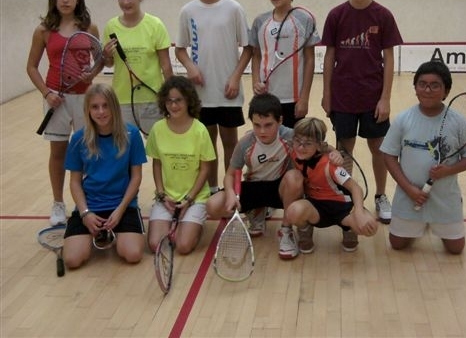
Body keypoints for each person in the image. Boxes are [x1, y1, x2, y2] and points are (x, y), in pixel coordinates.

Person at [321, 0, 403, 224]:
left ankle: (380, 196)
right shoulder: (336, 15)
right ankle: (347, 196)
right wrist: (326, 94)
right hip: (343, 96)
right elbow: (329, 56)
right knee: (344, 151)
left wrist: (385, 98)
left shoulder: (383, 15)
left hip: (372, 97)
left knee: (378, 148)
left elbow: (389, 58)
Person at [380, 61, 466, 254]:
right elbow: (389, 156)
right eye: (422, 84)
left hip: (445, 199)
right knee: (397, 244)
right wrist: (409, 189)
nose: (427, 90)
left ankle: (435, 221)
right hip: (408, 196)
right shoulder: (403, 119)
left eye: (435, 85)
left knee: (456, 249)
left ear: (446, 91)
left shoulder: (459, 122)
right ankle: (419, 225)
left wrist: (449, 170)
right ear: (415, 88)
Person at [175, 0, 252, 195]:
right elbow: (180, 49)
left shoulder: (233, 8)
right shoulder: (188, 11)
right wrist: (190, 67)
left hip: (228, 91)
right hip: (201, 94)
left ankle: (230, 192)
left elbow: (248, 48)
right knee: (207, 147)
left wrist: (235, 77)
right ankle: (210, 190)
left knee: (230, 144)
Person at [26, 0, 100, 226]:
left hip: (85, 99)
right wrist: (47, 93)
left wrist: (93, 73)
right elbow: (32, 67)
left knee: (87, 152)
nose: (65, 0)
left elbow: (100, 60)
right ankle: (58, 203)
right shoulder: (43, 31)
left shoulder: (89, 28)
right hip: (55, 99)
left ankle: (86, 201)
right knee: (58, 152)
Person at [205, 93, 304, 260]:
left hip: (280, 188)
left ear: (280, 120)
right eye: (257, 125)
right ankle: (256, 211)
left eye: (268, 125)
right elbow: (230, 175)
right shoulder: (246, 143)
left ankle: (286, 231)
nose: (262, 131)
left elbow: (318, 146)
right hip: (254, 187)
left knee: (295, 177)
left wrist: (333, 153)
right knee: (212, 206)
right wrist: (230, 194)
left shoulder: (291, 136)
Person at [63, 83, 146, 269]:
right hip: (90, 206)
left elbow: (136, 177)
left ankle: (112, 234)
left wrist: (120, 210)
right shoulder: (78, 139)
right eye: (95, 107)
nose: (101, 112)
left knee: (132, 254)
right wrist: (85, 213)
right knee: (72, 260)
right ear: (88, 110)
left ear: (114, 106)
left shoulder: (132, 134)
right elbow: (75, 182)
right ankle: (94, 234)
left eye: (105, 105)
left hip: (123, 206)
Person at [285, 117, 379, 254]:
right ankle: (305, 230)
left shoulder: (330, 165)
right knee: (293, 211)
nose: (301, 147)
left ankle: (349, 229)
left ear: (318, 145)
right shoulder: (294, 152)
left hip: (341, 208)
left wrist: (359, 213)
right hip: (315, 207)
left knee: (369, 226)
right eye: (298, 141)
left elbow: (356, 188)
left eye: (307, 144)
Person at [146, 76, 215, 255]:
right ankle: (175, 221)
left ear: (188, 101)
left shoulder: (200, 130)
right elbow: (157, 164)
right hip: (167, 197)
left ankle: (195, 224)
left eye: (178, 100)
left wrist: (189, 199)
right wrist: (161, 194)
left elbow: (205, 169)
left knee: (183, 246)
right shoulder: (157, 129)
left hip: (195, 198)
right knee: (155, 245)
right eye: (169, 101)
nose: (173, 105)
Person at [103, 0, 173, 134]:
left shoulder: (155, 25)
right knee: (125, 146)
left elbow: (166, 65)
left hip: (152, 98)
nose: (125, 2)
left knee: (156, 145)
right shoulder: (111, 27)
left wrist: (171, 96)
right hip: (122, 99)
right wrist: (106, 54)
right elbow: (109, 63)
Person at [250, 0, 320, 128]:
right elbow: (257, 55)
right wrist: (255, 82)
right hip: (266, 97)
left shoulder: (304, 20)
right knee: (267, 139)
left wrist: (304, 98)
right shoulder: (260, 21)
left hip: (294, 99)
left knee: (292, 141)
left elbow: (309, 60)